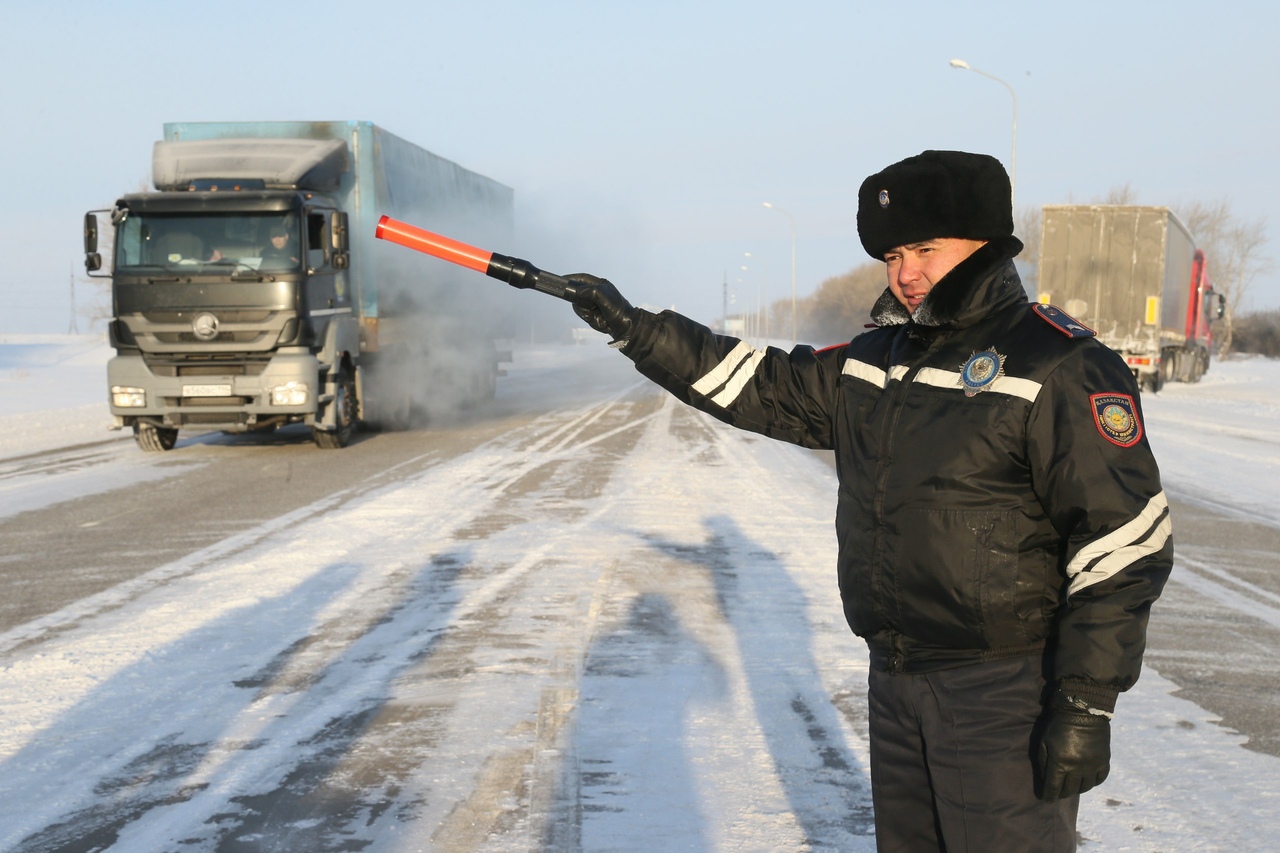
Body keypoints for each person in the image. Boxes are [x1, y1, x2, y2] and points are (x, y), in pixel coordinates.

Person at [566, 150, 1172, 852]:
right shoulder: (877, 358)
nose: (903, 272)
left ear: (986, 242)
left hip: (1004, 693)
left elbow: (1124, 539)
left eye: (923, 249)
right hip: (897, 682)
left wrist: (1085, 698)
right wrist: (634, 328)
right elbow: (760, 384)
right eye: (890, 254)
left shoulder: (1057, 362)